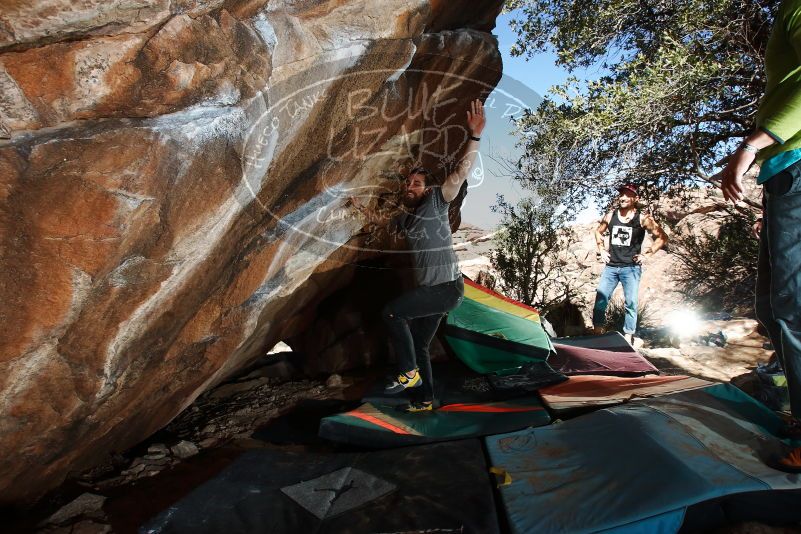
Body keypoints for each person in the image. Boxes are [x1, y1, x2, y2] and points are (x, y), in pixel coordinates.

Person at [350, 98, 486, 412]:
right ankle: (424, 398)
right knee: (422, 343)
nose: (411, 186)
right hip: (433, 292)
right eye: (408, 183)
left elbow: (460, 173)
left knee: (393, 314)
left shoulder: (437, 200)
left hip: (446, 288)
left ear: (426, 188)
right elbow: (382, 221)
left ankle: (409, 372)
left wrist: (475, 137)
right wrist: (358, 208)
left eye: (417, 183)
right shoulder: (405, 218)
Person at [720, 0, 801, 473]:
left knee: (792, 305)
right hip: (783, 177)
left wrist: (751, 145)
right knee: (770, 306)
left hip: (794, 166)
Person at [591, 184, 667, 343]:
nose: (623, 197)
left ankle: (628, 338)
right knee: (601, 300)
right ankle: (597, 336)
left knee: (631, 303)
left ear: (635, 198)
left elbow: (662, 237)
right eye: (621, 194)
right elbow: (598, 231)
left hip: (631, 269)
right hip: (611, 267)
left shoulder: (642, 218)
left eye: (628, 195)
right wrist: (602, 250)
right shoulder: (610, 216)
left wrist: (647, 254)